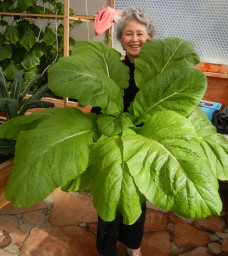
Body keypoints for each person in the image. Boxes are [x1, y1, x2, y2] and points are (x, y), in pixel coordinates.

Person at [93, 6, 156, 256]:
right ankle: (107, 249)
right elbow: (100, 104)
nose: (134, 39)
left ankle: (133, 247)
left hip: (142, 143)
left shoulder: (157, 72)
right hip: (112, 142)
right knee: (108, 196)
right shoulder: (113, 70)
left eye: (140, 33)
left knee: (136, 198)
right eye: (128, 34)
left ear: (149, 36)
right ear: (120, 39)